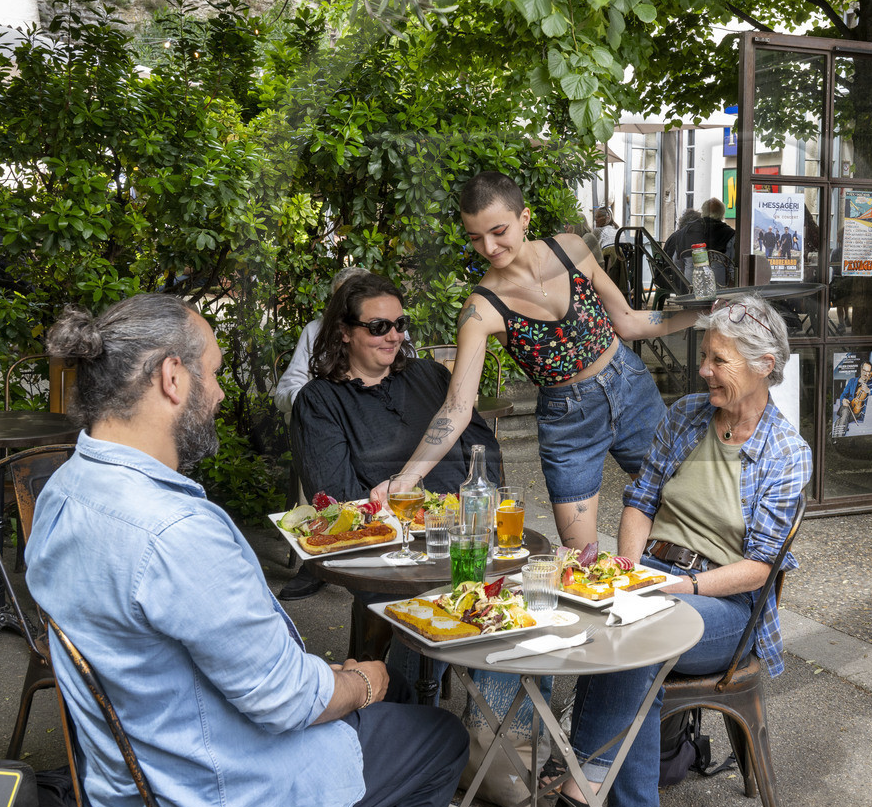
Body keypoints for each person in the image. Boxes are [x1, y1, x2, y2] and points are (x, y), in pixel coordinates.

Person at [28, 294, 467, 807]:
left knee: (394, 692)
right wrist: (362, 683)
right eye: (211, 374)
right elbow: (285, 699)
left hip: (134, 779)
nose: (217, 393)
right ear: (172, 377)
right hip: (225, 796)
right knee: (441, 737)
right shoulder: (175, 531)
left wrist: (341, 679)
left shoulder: (60, 489)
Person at [549, 295, 808, 807]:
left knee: (638, 639)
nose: (703, 369)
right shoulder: (687, 415)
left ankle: (585, 803)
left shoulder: (786, 452)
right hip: (656, 575)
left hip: (724, 604)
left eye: (719, 360)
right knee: (586, 617)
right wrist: (627, 567)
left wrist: (679, 588)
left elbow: (762, 567)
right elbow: (642, 500)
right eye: (705, 355)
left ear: (764, 365)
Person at [372, 172, 697, 550]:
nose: (489, 247)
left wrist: (696, 316)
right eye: (475, 237)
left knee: (681, 504)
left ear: (524, 218)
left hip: (630, 384)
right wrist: (407, 478)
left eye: (498, 231)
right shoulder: (480, 310)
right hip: (568, 420)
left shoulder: (571, 249)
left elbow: (626, 321)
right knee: (581, 555)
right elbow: (457, 408)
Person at [280, 273, 505, 601]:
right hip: (391, 554)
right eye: (378, 327)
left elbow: (485, 451)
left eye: (399, 324)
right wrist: (414, 527)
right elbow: (341, 502)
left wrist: (474, 514)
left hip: (467, 536)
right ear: (344, 331)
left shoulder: (431, 375)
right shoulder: (319, 401)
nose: (393, 336)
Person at [274, 265, 372, 416]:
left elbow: (411, 384)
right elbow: (284, 392)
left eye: (354, 298)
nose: (346, 307)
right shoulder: (315, 330)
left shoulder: (391, 329)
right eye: (339, 299)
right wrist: (312, 404)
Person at [663, 198, 736, 282]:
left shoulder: (685, 231)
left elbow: (676, 261)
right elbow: (732, 268)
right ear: (722, 214)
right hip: (719, 287)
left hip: (691, 286)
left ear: (703, 212)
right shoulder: (730, 234)